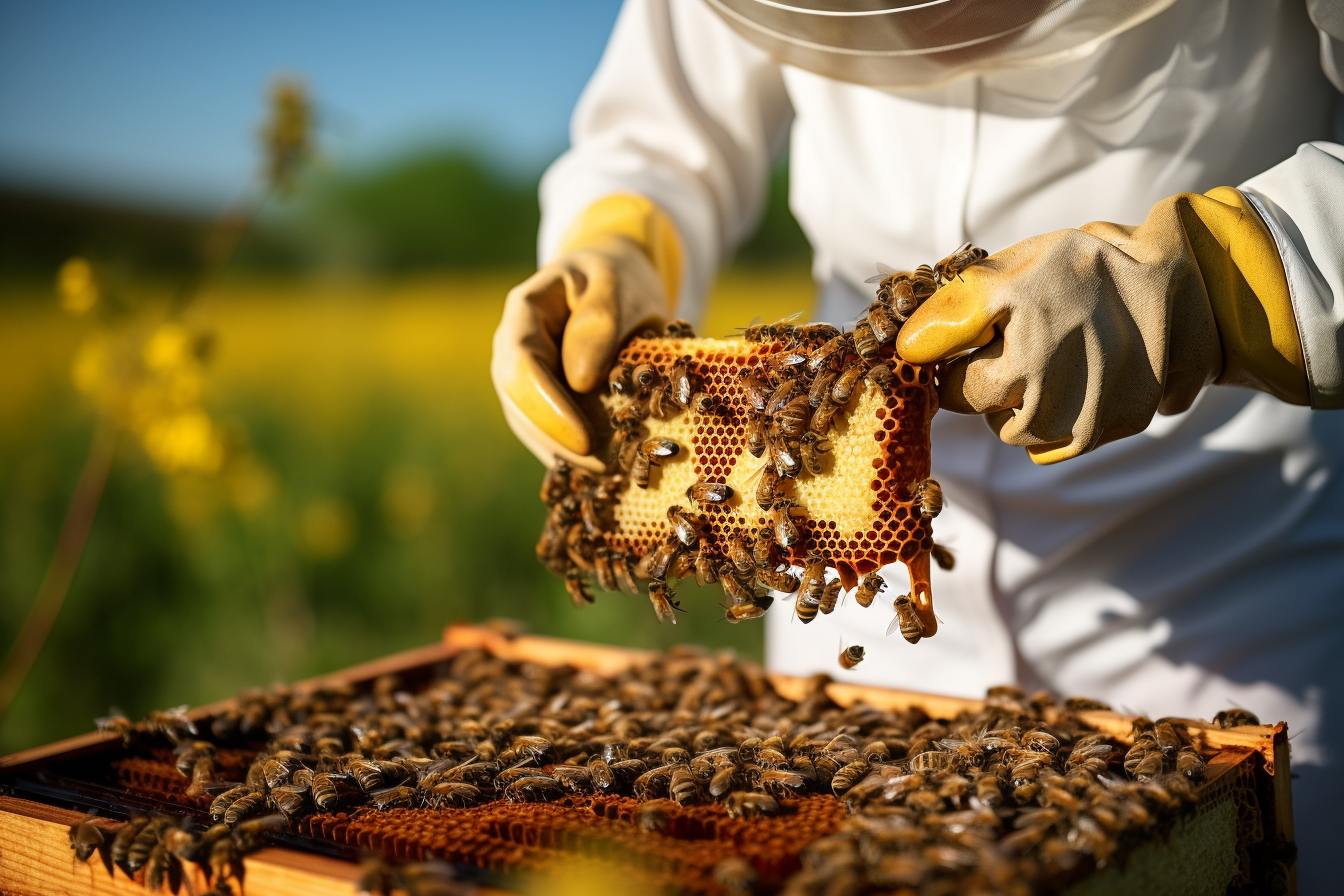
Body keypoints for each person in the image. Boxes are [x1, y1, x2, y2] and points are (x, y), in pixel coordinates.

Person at [491, 1, 1344, 887]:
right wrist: (620, 238)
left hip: (1227, 583)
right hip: (842, 562)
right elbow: (661, 135)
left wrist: (1223, 280)